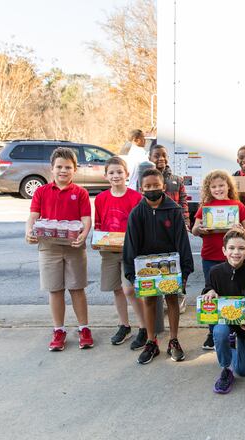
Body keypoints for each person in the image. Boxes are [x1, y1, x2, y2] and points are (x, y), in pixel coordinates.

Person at [123, 168, 195, 365]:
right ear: (141, 188)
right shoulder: (137, 214)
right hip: (146, 268)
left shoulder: (173, 211)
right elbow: (130, 244)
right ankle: (151, 341)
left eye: (156, 185)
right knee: (149, 301)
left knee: (172, 299)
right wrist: (131, 273)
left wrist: (185, 270)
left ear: (163, 186)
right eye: (147, 186)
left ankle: (173, 340)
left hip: (170, 267)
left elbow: (182, 242)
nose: (152, 189)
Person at [25, 147, 93, 351]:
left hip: (73, 245)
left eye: (68, 167)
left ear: (75, 169)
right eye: (59, 167)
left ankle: (84, 328)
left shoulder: (80, 192)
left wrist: (83, 234)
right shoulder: (41, 191)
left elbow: (86, 219)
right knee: (55, 289)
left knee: (77, 288)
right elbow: (33, 216)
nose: (63, 171)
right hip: (49, 247)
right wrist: (29, 231)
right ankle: (59, 329)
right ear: (52, 169)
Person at [192, 170, 245, 350]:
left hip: (235, 258)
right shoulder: (205, 206)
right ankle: (213, 332)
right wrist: (201, 229)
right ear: (208, 189)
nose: (218, 189)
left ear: (228, 186)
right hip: (211, 256)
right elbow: (194, 230)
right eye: (214, 186)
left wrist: (241, 228)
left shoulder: (237, 206)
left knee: (236, 292)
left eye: (221, 185)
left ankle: (236, 328)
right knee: (211, 293)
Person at [93, 157, 146, 348]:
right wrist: (97, 241)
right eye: (112, 172)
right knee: (117, 290)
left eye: (119, 172)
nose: (116, 176)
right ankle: (124, 325)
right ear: (106, 175)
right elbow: (98, 223)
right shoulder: (100, 198)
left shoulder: (135, 198)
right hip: (108, 250)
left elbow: (141, 225)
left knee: (129, 289)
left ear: (127, 174)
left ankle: (144, 327)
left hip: (130, 250)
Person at [200, 228, 245, 394]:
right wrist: (208, 291)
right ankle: (226, 368)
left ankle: (233, 344)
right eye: (231, 248)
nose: (236, 252)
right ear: (224, 251)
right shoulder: (215, 272)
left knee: (243, 371)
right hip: (224, 321)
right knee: (219, 332)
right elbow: (208, 288)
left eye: (241, 248)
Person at [149, 144, 191, 315]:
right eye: (156, 155)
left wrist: (186, 221)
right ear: (150, 158)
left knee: (179, 260)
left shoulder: (176, 179)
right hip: (155, 229)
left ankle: (180, 293)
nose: (161, 158)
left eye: (164, 155)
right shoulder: (146, 179)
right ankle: (161, 294)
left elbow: (183, 202)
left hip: (175, 228)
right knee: (160, 260)